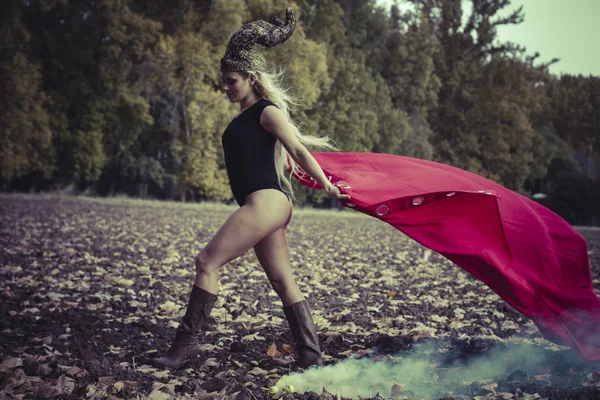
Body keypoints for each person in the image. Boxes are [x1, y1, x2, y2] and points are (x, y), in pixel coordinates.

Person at [153, 8, 349, 370]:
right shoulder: (247, 116)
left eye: (231, 81)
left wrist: (327, 185)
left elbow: (299, 150)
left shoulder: (267, 111)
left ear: (251, 77)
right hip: (268, 204)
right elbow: (279, 160)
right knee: (281, 278)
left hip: (266, 203)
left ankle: (184, 347)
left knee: (206, 263)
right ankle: (312, 357)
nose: (225, 87)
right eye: (224, 81)